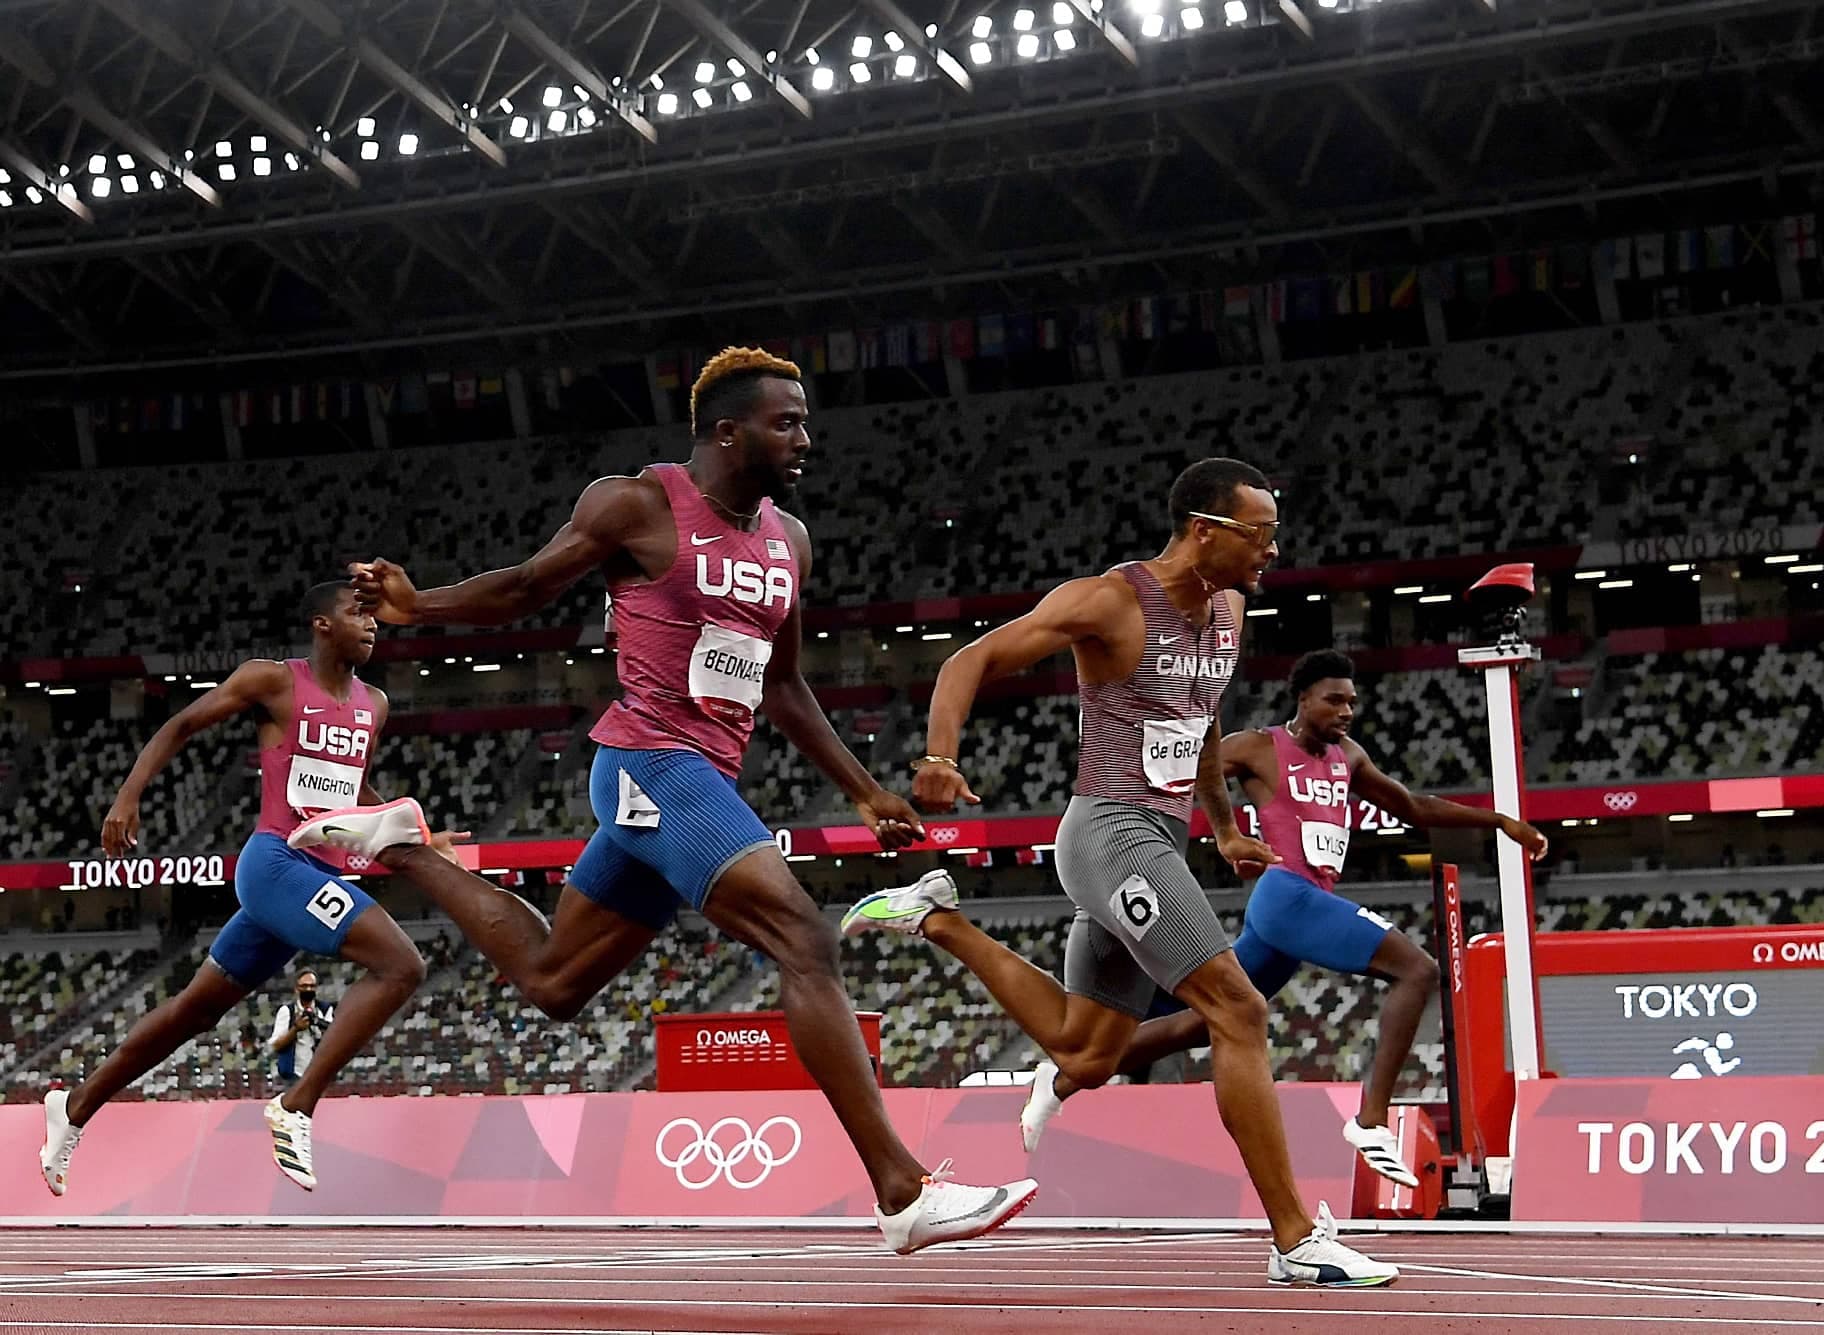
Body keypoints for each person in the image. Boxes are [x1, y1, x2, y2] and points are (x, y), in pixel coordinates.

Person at [288, 347, 1035, 1255]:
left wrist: (865, 788)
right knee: (805, 934)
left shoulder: (786, 539)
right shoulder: (638, 504)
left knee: (555, 980)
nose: (806, 437)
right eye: (785, 421)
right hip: (648, 759)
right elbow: (529, 585)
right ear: (728, 430)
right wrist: (418, 605)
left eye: (804, 420)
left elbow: (785, 683)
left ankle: (404, 847)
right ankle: (901, 1188)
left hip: (699, 780)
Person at [842, 457, 1397, 1288]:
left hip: (1160, 843)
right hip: (1108, 832)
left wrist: (1221, 827)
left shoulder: (1231, 609)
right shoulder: (1111, 600)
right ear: (1205, 529)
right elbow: (969, 661)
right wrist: (937, 756)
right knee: (1238, 1006)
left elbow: (1200, 717)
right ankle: (1292, 1239)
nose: (1272, 551)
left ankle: (936, 917)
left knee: (1087, 1051)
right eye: (1260, 533)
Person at [1017, 648, 1549, 1185]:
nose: (1346, 711)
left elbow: (1413, 805)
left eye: (1353, 702)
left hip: (1294, 916)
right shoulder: (1258, 747)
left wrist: (1502, 821)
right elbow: (1188, 763)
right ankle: (1369, 1122)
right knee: (1418, 970)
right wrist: (1207, 827)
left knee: (1203, 1023)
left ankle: (1059, 1079)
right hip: (1285, 895)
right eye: (1334, 700)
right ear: (1303, 697)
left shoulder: (1350, 758)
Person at [40, 583, 440, 1197]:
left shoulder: (374, 704)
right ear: (321, 624)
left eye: (374, 616)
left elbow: (348, 793)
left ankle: (71, 1110)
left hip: (319, 875)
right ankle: (296, 1105)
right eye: (357, 613)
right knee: (400, 964)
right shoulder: (274, 681)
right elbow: (183, 723)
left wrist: (411, 830)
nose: (372, 624)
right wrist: (128, 796)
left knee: (194, 1013)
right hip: (276, 864)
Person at [269, 970, 334, 1086]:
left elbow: (333, 1038)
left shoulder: (325, 1009)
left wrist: (319, 1023)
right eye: (304, 986)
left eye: (312, 986)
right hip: (294, 1075)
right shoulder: (287, 1011)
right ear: (296, 988)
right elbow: (276, 1045)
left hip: (320, 1073)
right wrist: (295, 1029)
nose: (308, 989)